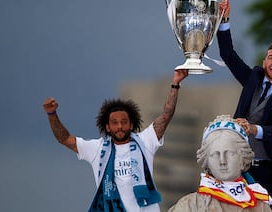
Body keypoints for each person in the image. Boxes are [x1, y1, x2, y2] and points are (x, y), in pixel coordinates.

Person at [42, 69, 188, 212]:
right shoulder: (97, 149)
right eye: (115, 122)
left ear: (131, 124)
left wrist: (175, 84)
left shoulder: (145, 141)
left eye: (124, 122)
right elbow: (65, 139)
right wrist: (51, 114)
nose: (120, 126)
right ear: (107, 127)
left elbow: (166, 115)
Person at [216, 0, 272, 212]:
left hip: (267, 170)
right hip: (239, 167)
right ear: (264, 63)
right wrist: (224, 20)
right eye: (270, 57)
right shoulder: (253, 78)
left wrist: (253, 129)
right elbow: (228, 55)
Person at [169, 115, 272, 211]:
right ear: (207, 161)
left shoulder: (261, 207)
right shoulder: (189, 205)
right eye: (215, 154)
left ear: (243, 158)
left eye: (230, 153)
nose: (222, 161)